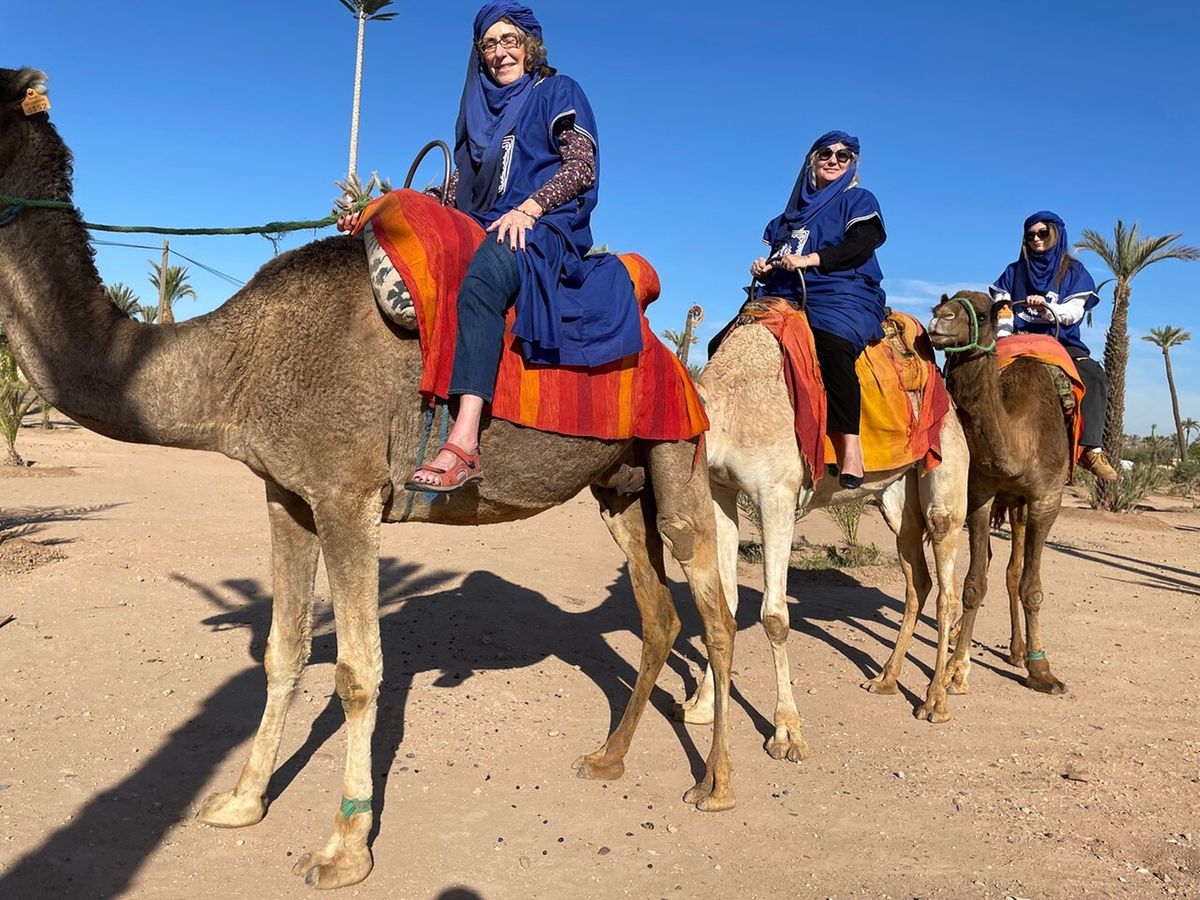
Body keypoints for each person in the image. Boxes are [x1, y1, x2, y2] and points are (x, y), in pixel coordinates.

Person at [339, 1, 641, 492]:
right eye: (489, 45)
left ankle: (464, 442)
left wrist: (531, 207)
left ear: (529, 45)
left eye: (510, 41)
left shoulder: (558, 91)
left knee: (480, 280)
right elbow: (453, 194)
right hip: (487, 223)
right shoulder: (479, 120)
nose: (500, 53)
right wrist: (380, 211)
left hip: (543, 227)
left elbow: (582, 165)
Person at [749, 130, 888, 489]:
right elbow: (783, 256)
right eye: (826, 153)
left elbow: (862, 244)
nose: (834, 160)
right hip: (786, 291)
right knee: (730, 338)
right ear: (812, 160)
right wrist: (767, 266)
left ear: (851, 165)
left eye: (844, 156)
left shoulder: (857, 200)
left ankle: (850, 446)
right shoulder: (785, 220)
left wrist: (812, 259)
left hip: (842, 291)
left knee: (831, 344)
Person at [989, 211, 1118, 481]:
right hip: (1018, 339)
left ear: (1056, 234)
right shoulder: (1013, 272)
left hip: (1060, 341)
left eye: (1042, 233)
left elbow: (1073, 312)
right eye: (1030, 235)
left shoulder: (1074, 272)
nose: (1036, 239)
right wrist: (1003, 335)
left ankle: (1091, 449)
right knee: (973, 371)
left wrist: (1048, 309)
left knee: (1093, 376)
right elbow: (1002, 307)